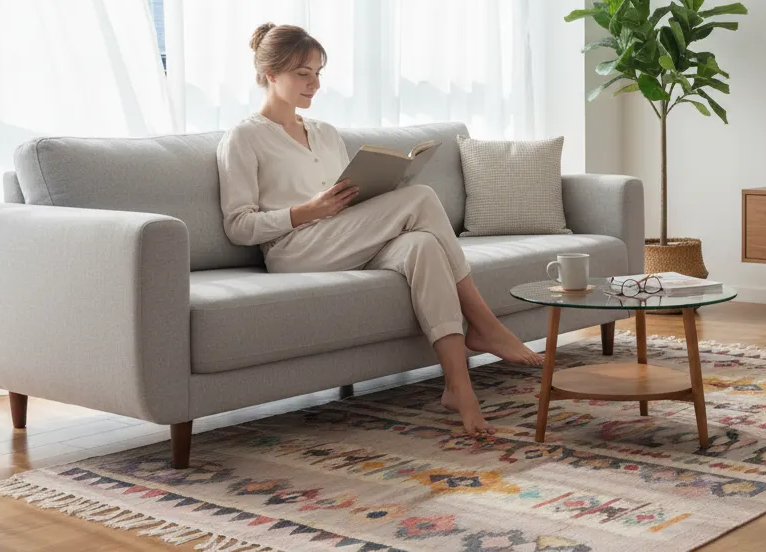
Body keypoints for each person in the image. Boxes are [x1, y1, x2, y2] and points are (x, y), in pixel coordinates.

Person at [215, 22, 542, 436]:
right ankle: (485, 323)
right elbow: (237, 226)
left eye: (318, 73)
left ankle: (458, 387)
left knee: (422, 245)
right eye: (303, 74)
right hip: (294, 250)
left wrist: (377, 191)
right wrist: (304, 212)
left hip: (345, 240)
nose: (314, 83)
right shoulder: (244, 138)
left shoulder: (325, 133)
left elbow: (345, 199)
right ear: (270, 74)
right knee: (422, 198)